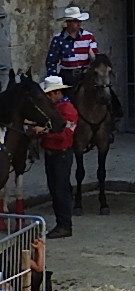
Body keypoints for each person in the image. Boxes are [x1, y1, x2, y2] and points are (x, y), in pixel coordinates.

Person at [32, 76, 78, 238]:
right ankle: (62, 223)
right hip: (54, 154)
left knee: (61, 190)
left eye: (49, 95)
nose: (48, 98)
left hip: (61, 154)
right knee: (56, 189)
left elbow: (65, 135)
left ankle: (65, 225)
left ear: (57, 93)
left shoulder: (68, 110)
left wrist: (44, 132)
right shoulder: (60, 108)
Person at [45, 6, 100, 89]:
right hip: (67, 77)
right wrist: (53, 82)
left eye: (80, 21)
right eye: (75, 21)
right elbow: (51, 62)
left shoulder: (89, 36)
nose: (79, 24)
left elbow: (96, 58)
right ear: (68, 22)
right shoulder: (58, 39)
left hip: (86, 76)